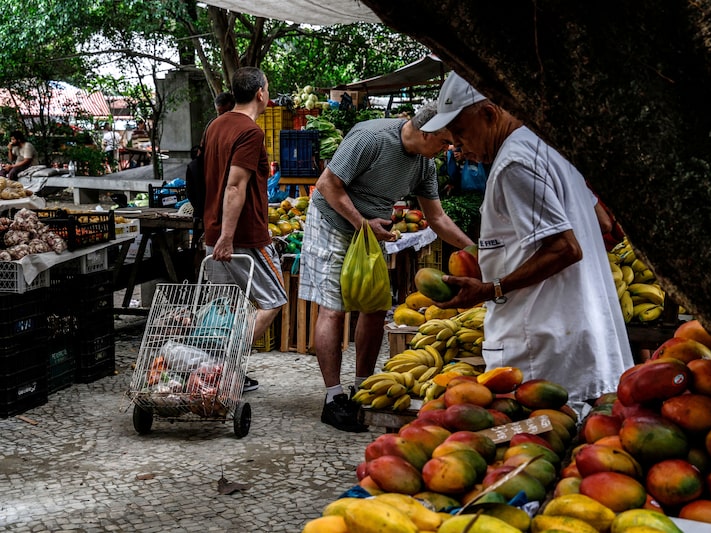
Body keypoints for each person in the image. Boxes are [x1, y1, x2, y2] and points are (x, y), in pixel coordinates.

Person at [421, 73, 634, 413]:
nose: (457, 146)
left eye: (460, 132)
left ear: (490, 114)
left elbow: (566, 248)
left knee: (541, 449)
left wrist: (489, 288)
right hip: (569, 336)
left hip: (545, 349)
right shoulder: (545, 144)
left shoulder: (515, 163)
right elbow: (597, 222)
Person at [299, 102, 475, 432]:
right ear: (426, 133)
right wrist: (363, 222)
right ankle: (333, 398)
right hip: (332, 223)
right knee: (333, 309)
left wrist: (474, 250)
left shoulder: (424, 165)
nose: (446, 150)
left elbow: (437, 218)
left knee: (377, 307)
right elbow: (327, 184)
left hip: (370, 230)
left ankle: (363, 386)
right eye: (444, 142)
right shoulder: (371, 137)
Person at [203, 67, 288, 393]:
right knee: (273, 301)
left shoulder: (216, 125)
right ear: (260, 94)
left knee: (225, 307)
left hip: (216, 232)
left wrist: (214, 230)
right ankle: (224, 367)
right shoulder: (250, 132)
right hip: (242, 236)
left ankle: (212, 372)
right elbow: (236, 186)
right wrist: (227, 235)